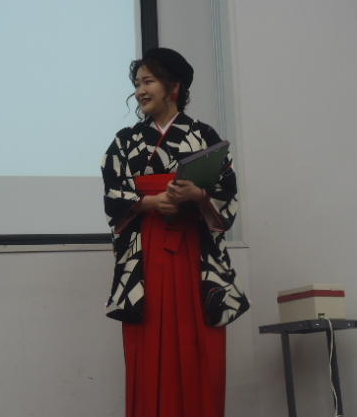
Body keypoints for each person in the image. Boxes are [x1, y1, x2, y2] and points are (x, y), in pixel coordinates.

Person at [101, 47, 249, 417]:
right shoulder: (125, 141)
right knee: (147, 350)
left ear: (174, 87)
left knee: (199, 351)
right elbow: (113, 195)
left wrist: (197, 195)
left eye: (148, 82)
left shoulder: (204, 136)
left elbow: (226, 198)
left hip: (193, 256)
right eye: (137, 83)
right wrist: (149, 202)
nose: (140, 91)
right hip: (145, 258)